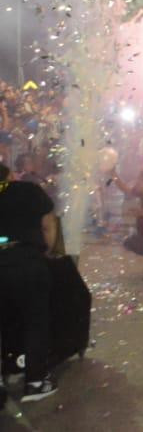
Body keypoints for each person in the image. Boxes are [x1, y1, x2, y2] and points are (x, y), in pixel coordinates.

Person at [0, 160, 57, 402]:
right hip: (27, 260)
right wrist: (47, 252)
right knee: (35, 320)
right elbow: (49, 225)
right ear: (11, 175)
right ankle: (35, 382)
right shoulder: (29, 191)